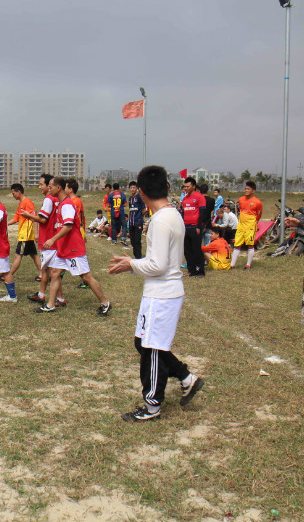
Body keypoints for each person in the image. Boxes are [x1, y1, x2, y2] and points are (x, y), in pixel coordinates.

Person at [108, 165, 204, 422]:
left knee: (150, 348)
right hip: (162, 291)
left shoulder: (160, 221)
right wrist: (134, 263)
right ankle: (186, 377)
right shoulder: (172, 215)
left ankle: (152, 405)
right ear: (167, 187)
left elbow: (157, 265)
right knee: (144, 343)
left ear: (140, 192)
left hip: (162, 294)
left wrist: (131, 264)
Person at [38, 177, 111, 315]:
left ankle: (105, 303)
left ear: (58, 188)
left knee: (86, 277)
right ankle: (50, 305)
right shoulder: (60, 204)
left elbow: (68, 226)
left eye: (51, 187)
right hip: (63, 248)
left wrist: (52, 239)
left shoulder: (67, 205)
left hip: (73, 248)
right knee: (55, 273)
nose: (49, 189)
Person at [20, 174, 64, 306]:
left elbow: (43, 219)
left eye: (41, 184)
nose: (39, 187)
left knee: (48, 270)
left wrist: (29, 216)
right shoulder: (56, 199)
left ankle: (45, 296)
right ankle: (54, 297)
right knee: (52, 271)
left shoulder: (48, 200)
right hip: (53, 239)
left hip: (48, 239)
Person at [7, 183, 40, 278]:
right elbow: (16, 218)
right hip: (25, 235)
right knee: (34, 255)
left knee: (18, 255)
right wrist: (5, 224)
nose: (13, 195)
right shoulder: (21, 203)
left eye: (13, 193)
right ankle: (42, 274)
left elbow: (34, 217)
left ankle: (8, 275)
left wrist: (36, 233)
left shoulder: (27, 202)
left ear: (19, 192)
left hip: (25, 235)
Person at [231, 181, 263, 270]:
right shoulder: (241, 199)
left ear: (253, 191)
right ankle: (232, 264)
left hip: (250, 226)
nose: (246, 190)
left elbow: (259, 214)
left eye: (248, 189)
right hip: (241, 225)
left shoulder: (257, 202)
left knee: (250, 244)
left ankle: (248, 264)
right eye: (245, 189)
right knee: (237, 244)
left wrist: (253, 222)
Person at [181, 177, 206, 277]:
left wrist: (199, 227)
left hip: (195, 227)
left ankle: (200, 271)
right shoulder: (184, 198)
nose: (186, 188)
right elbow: (183, 213)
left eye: (188, 186)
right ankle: (191, 270)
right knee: (187, 250)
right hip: (186, 227)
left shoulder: (199, 197)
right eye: (185, 186)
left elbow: (202, 213)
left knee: (196, 250)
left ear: (194, 186)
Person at [128, 181, 146, 259]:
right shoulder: (130, 199)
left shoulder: (139, 197)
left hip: (138, 222)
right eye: (131, 188)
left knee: (137, 240)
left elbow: (144, 209)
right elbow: (130, 209)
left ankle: (138, 257)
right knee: (132, 240)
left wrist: (140, 217)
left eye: (134, 188)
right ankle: (136, 255)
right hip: (131, 222)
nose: (132, 189)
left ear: (137, 188)